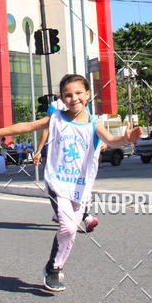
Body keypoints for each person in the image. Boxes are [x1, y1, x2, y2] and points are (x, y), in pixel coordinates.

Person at [0, 74, 142, 292]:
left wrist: (127, 138)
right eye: (68, 95)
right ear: (62, 98)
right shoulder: (56, 119)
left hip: (80, 186)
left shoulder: (93, 125)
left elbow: (112, 141)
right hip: (57, 182)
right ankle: (54, 269)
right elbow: (27, 126)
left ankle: (54, 266)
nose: (74, 98)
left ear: (87, 95)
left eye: (79, 93)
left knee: (70, 231)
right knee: (68, 227)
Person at [33, 98, 100, 233]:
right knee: (61, 186)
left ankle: (82, 215)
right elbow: (47, 128)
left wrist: (101, 142)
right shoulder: (57, 107)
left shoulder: (78, 106)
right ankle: (70, 214)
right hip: (62, 153)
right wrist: (39, 150)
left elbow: (91, 127)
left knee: (68, 186)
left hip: (72, 154)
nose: (73, 96)